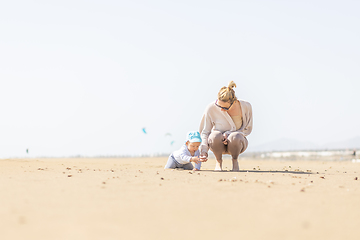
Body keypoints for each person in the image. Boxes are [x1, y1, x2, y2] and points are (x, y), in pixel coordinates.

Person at [199, 81, 253, 171]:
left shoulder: (246, 106)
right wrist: (204, 151)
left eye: (225, 108)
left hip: (237, 142)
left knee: (234, 136)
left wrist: (228, 134)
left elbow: (248, 129)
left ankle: (235, 161)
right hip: (217, 144)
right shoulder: (211, 107)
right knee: (215, 135)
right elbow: (205, 132)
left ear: (233, 101)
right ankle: (218, 162)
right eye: (218, 106)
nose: (221, 109)